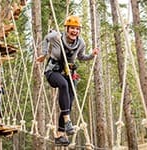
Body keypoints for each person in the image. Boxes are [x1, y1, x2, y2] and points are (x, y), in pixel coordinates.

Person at [36, 15, 99, 146]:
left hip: (68, 72)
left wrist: (92, 56)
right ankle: (67, 121)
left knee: (69, 102)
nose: (74, 31)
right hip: (52, 72)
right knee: (63, 85)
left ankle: (60, 134)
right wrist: (44, 54)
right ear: (67, 29)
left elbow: (81, 57)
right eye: (72, 28)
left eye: (77, 29)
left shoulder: (81, 43)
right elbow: (46, 38)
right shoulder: (57, 37)